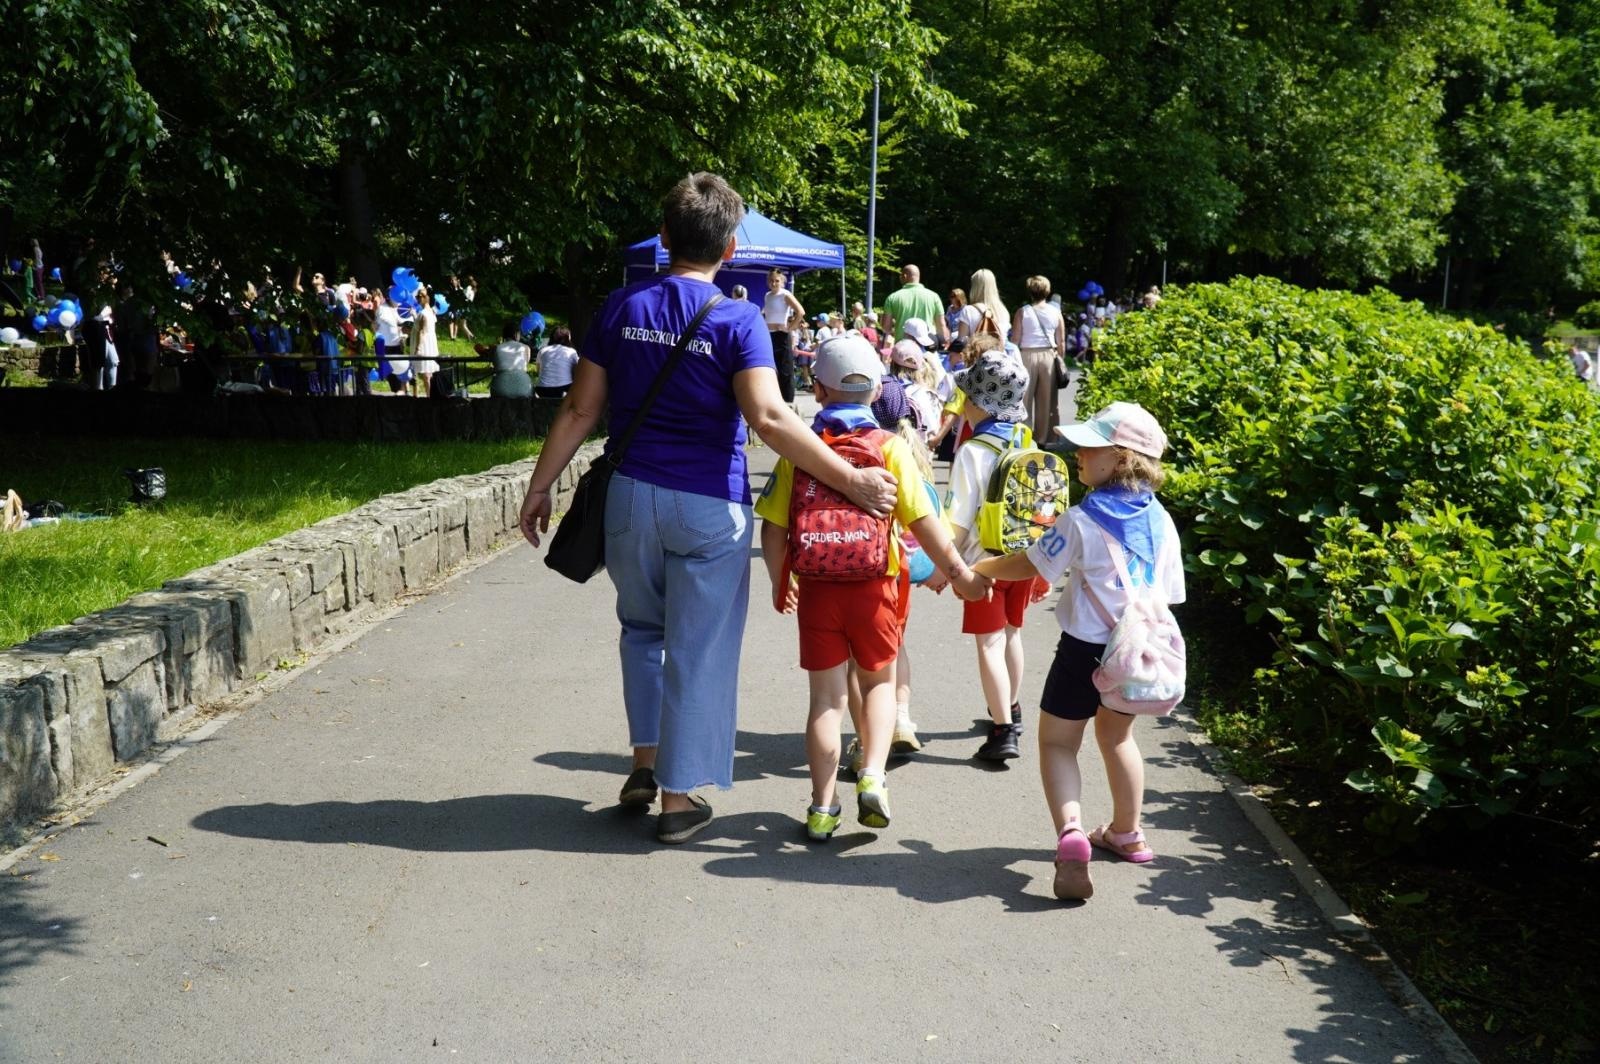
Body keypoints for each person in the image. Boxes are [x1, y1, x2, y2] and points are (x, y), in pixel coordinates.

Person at [517, 172, 900, 845]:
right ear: (731, 248)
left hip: (630, 498)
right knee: (700, 649)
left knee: (642, 631)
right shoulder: (737, 319)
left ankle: (644, 760)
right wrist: (854, 480)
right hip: (706, 505)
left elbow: (581, 408)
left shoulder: (621, 307)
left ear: (665, 239)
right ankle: (676, 798)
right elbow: (771, 420)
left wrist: (540, 486)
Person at [756, 335, 988, 840]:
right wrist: (960, 575)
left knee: (825, 701)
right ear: (878, 390)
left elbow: (772, 529)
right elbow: (925, 522)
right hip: (874, 588)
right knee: (878, 684)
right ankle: (873, 777)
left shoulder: (801, 453)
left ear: (818, 391)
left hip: (818, 589)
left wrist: (781, 580)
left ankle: (821, 808)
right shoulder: (893, 448)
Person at [973, 402, 1183, 900]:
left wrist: (980, 569)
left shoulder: (1081, 518)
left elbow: (1029, 565)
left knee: (1057, 743)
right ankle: (1127, 833)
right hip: (1136, 655)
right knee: (1118, 738)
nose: (1077, 455)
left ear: (1119, 458)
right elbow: (1170, 594)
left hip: (1084, 651)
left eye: (1089, 448)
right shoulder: (1164, 522)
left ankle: (1071, 832)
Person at [945, 350, 1044, 761]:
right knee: (1012, 635)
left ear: (982, 404)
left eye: (968, 396)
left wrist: (942, 567)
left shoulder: (972, 451)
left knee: (988, 645)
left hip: (983, 565)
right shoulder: (1029, 443)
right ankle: (1013, 709)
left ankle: (1003, 732)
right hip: (1023, 561)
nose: (963, 403)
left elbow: (957, 521)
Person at [1011, 275, 1067, 437]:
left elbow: (1015, 339)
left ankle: (1024, 435)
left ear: (1029, 291)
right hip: (1049, 355)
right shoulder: (1055, 312)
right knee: (1047, 401)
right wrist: (1060, 359)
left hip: (1026, 355)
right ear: (1047, 291)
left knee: (1024, 399)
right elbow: (1061, 341)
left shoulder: (1023, 312)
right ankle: (1043, 437)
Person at [762, 268, 805, 405]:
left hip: (782, 335)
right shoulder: (767, 295)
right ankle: (773, 398)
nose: (774, 283)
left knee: (785, 369)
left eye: (777, 281)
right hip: (769, 335)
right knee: (771, 367)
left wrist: (790, 328)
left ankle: (787, 401)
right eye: (771, 281)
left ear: (782, 282)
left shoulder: (785, 294)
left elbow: (800, 312)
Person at [880, 264, 949, 345]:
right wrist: (944, 342)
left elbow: (886, 327)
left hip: (902, 346)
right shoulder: (934, 296)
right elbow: (941, 325)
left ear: (904, 276)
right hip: (926, 345)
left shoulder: (892, 298)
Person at [373, 288, 411, 394]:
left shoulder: (401, 307)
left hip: (399, 345)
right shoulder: (382, 309)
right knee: (392, 373)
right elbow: (375, 326)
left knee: (402, 370)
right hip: (386, 346)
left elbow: (405, 322)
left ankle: (405, 391)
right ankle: (397, 392)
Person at [489, 319, 533, 398]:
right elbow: (525, 364)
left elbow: (495, 366)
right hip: (524, 387)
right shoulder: (526, 348)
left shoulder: (497, 348)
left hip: (501, 386)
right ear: (516, 334)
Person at [411, 284, 440, 396]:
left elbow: (422, 332)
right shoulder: (430, 311)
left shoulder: (423, 313)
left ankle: (429, 396)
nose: (417, 298)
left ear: (425, 298)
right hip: (429, 343)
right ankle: (430, 395)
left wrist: (418, 348)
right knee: (426, 373)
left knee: (426, 374)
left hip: (424, 345)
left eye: (419, 296)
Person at [535, 326, 579, 399]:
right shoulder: (571, 352)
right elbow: (577, 372)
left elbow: (538, 371)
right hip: (563, 389)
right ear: (568, 338)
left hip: (542, 389)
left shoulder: (542, 350)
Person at [446, 275, 475, 340]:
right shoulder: (470, 288)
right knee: (458, 322)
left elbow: (464, 296)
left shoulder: (468, 288)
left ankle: (471, 336)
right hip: (458, 306)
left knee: (461, 324)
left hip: (462, 307)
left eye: (453, 280)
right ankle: (468, 337)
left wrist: (459, 288)